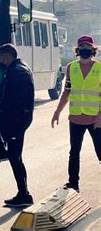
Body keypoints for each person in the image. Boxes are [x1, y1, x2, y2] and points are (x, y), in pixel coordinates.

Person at [51, 35, 101, 192]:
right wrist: (57, 111)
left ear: (93, 50)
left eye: (88, 47)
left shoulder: (99, 68)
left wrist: (100, 118)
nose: (85, 50)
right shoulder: (71, 67)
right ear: (77, 50)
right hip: (76, 118)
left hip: (95, 119)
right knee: (74, 152)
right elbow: (67, 91)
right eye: (82, 47)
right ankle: (73, 183)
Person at [0, 43, 35, 207]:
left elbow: (12, 100)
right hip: (19, 119)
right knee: (15, 156)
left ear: (7, 57)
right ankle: (23, 193)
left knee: (15, 157)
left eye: (0, 58)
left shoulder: (16, 73)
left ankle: (24, 194)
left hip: (16, 121)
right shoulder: (19, 68)